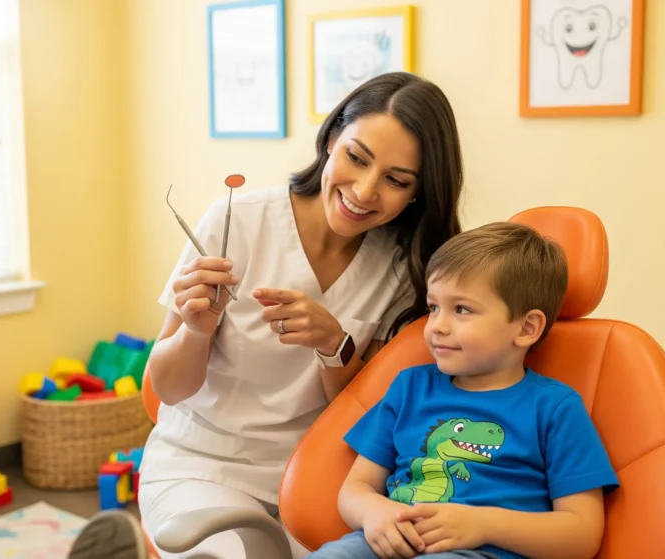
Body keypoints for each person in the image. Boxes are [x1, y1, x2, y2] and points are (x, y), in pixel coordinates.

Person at [68, 71, 465, 559]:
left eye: (395, 180)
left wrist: (335, 345)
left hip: (314, 477)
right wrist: (197, 329)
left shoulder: (406, 268)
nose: (363, 191)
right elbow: (167, 388)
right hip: (203, 464)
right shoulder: (239, 221)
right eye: (355, 158)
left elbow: (364, 412)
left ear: (418, 193)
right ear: (332, 138)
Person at [306, 222, 620, 559]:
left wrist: (483, 525)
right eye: (433, 307)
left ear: (527, 328)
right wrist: (374, 513)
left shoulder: (555, 408)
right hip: (388, 544)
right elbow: (356, 488)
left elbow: (582, 534)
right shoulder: (409, 387)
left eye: (462, 309)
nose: (437, 326)